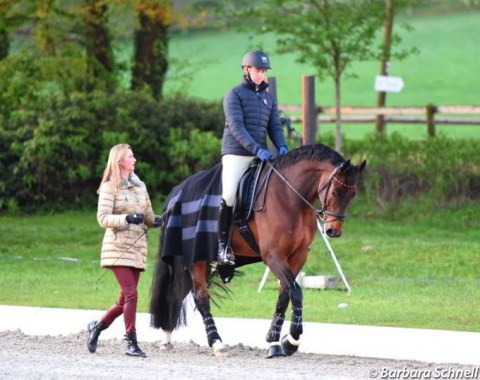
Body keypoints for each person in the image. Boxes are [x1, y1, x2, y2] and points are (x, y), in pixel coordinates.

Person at [87, 144, 163, 358]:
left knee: (124, 301)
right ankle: (131, 343)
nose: (135, 159)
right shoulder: (109, 187)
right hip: (117, 248)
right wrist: (126, 219)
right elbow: (102, 218)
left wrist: (163, 219)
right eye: (131, 156)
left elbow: (149, 218)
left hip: (137, 249)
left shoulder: (141, 186)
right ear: (120, 161)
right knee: (131, 294)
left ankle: (97, 327)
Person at [217, 50, 289, 266]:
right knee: (229, 194)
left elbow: (274, 126)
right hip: (236, 155)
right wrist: (258, 150)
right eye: (258, 70)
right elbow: (237, 128)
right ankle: (222, 246)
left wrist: (282, 146)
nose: (261, 74)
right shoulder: (234, 94)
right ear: (246, 70)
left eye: (264, 71)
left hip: (261, 155)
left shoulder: (268, 98)